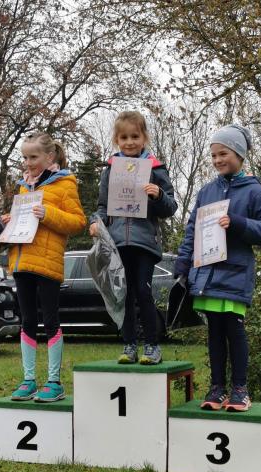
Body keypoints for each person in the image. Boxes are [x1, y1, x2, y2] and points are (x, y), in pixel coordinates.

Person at [174, 125, 261, 412]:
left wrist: (239, 223)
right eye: (214, 155)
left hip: (235, 274)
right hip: (207, 274)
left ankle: (240, 389)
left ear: (239, 155)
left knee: (234, 329)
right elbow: (192, 230)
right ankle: (217, 388)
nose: (218, 160)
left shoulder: (255, 191)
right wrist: (183, 263)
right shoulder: (206, 191)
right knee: (215, 332)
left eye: (224, 154)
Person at [89, 111, 177, 365]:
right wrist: (95, 222)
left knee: (143, 291)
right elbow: (102, 206)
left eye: (135, 136)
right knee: (123, 294)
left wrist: (158, 195)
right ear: (117, 140)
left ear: (144, 137)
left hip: (144, 243)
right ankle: (129, 345)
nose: (129, 142)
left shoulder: (155, 168)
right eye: (124, 137)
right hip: (118, 244)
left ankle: (152, 345)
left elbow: (170, 207)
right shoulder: (110, 170)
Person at [5, 133, 86, 402]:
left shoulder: (65, 183)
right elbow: (23, 221)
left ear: (49, 156)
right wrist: (9, 220)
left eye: (33, 157)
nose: (28, 163)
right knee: (27, 321)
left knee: (50, 320)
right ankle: (28, 380)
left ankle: (54, 382)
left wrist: (48, 214)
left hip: (47, 263)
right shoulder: (23, 186)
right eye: (24, 157)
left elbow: (78, 221)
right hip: (22, 261)